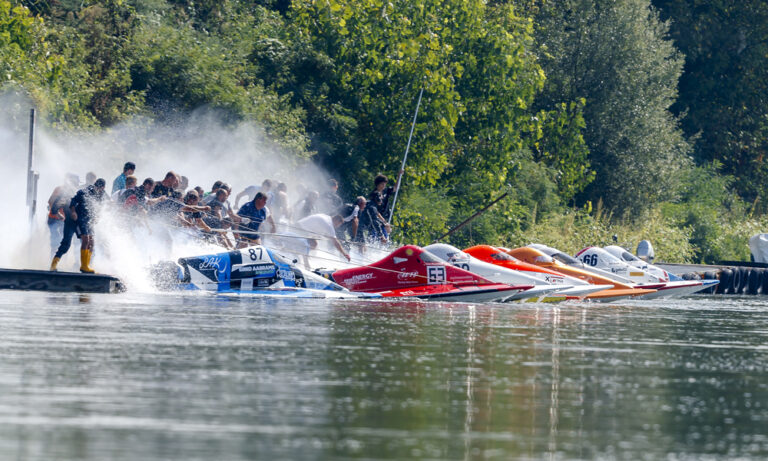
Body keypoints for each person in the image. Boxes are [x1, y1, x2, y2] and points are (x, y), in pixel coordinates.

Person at [50, 178, 107, 273]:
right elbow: (57, 205)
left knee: (91, 242)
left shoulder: (100, 194)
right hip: (72, 221)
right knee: (66, 244)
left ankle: (87, 265)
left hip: (85, 220)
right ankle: (54, 264)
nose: (77, 185)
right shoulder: (79, 192)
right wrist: (61, 213)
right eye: (75, 183)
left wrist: (96, 216)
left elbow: (100, 206)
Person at [47, 174, 79, 258]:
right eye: (76, 182)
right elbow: (50, 201)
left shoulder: (75, 191)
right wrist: (58, 213)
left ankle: (62, 260)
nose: (77, 184)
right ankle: (53, 260)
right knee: (55, 241)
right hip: (54, 218)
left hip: (65, 220)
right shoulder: (60, 189)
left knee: (65, 240)